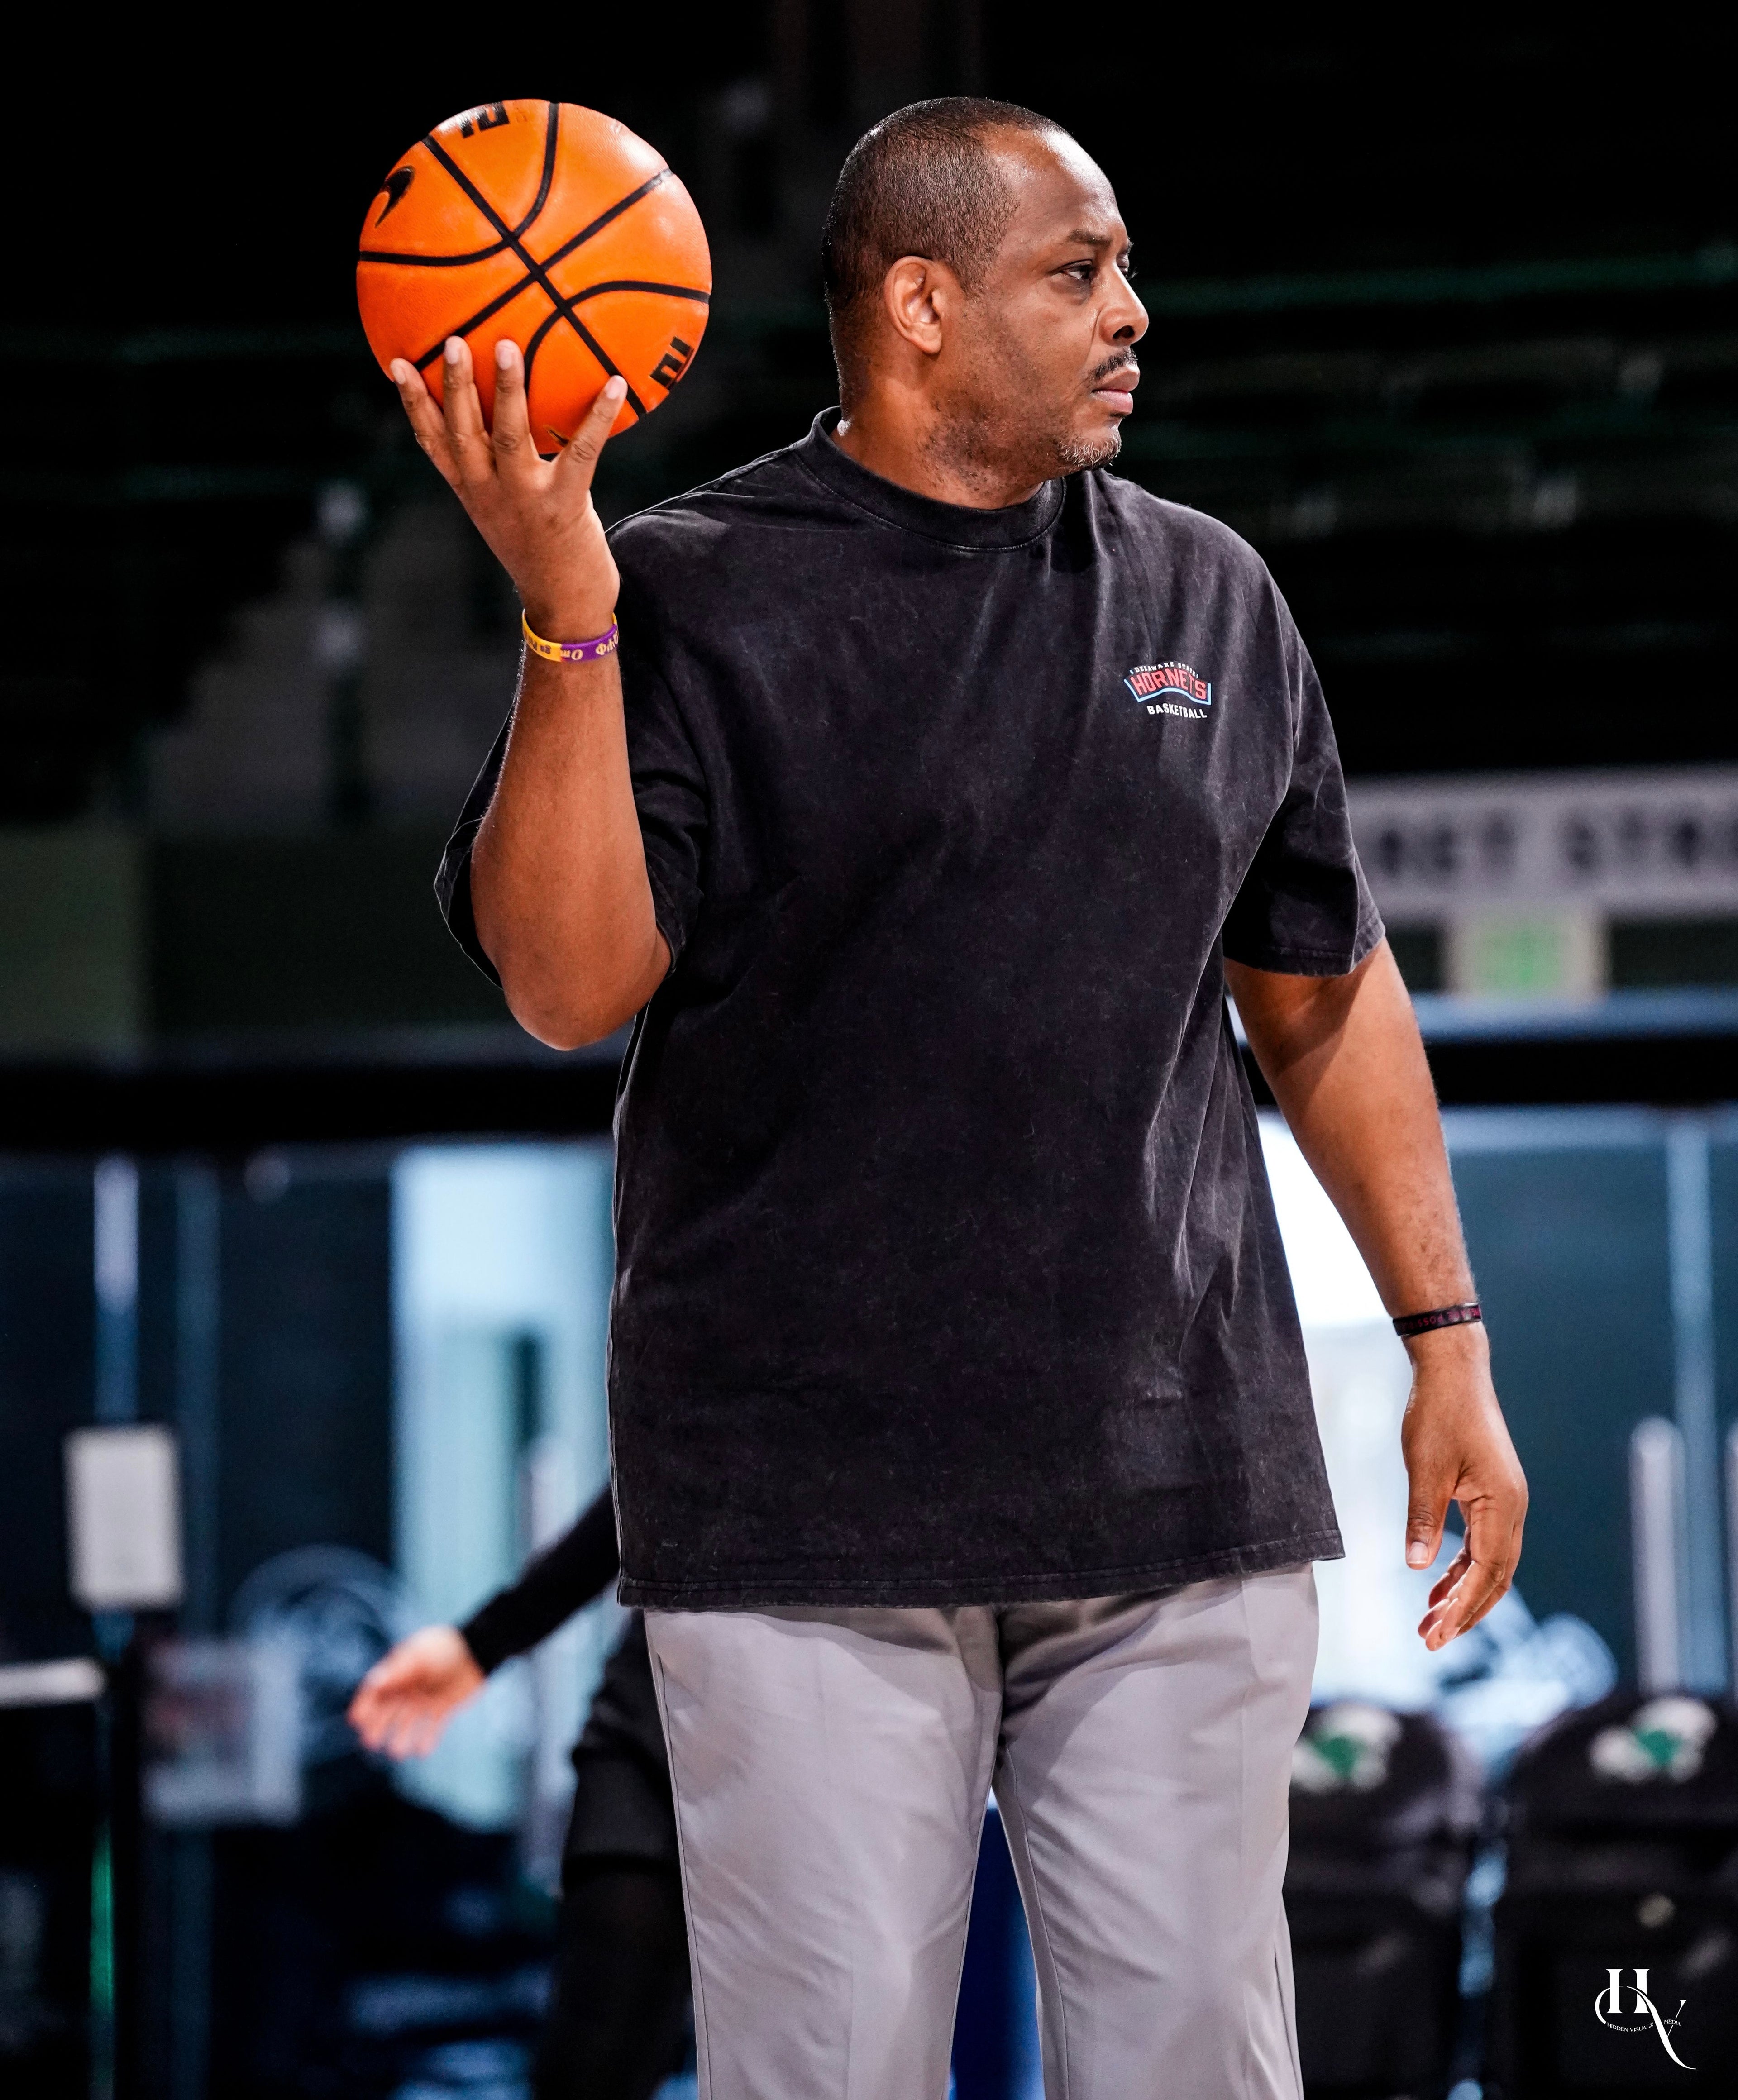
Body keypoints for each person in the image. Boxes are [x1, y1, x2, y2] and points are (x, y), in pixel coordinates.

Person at [390, 95, 1528, 2100]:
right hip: (807, 1515)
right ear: (922, 305)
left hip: (1175, 1493)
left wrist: (1448, 1339)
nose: (1133, 312)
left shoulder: (1211, 596)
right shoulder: (689, 589)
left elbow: (1326, 995)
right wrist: (566, 606)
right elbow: (568, 986)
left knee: (1204, 2069)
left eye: (1123, 269)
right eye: (1078, 272)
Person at [349, 1494, 688, 2100]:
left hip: (838, 1717)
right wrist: (482, 1643)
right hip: (657, 1713)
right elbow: (654, 1473)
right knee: (592, 2060)